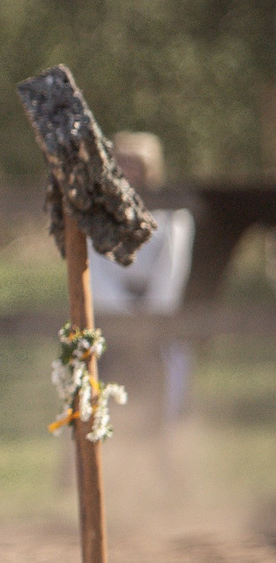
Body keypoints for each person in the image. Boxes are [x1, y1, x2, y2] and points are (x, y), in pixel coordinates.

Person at [87, 131, 195, 426]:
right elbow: (94, 265)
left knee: (164, 381)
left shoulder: (174, 214)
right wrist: (122, 312)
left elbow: (172, 266)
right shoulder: (99, 213)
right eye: (122, 163)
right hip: (113, 317)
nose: (128, 171)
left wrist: (150, 315)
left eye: (135, 164)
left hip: (157, 317)